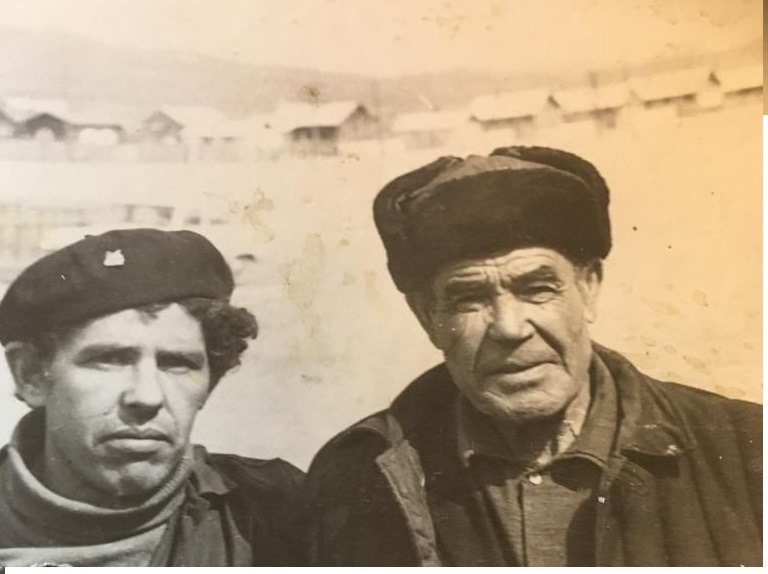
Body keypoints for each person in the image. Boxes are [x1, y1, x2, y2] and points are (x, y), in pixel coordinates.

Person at [302, 146, 762, 566]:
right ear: (428, 317)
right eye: (469, 299)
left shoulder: (745, 449)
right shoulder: (356, 480)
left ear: (589, 288)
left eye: (537, 288)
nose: (509, 328)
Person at [0, 228, 304, 566]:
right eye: (110, 359)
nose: (147, 397)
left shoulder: (279, 514)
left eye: (177, 363)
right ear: (31, 376)